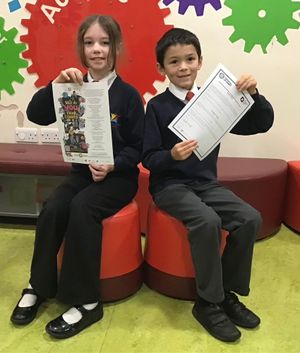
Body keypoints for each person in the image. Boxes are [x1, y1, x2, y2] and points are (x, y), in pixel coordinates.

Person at [10, 14, 144, 339]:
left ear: (115, 47)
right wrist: (56, 84)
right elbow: (38, 115)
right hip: (82, 173)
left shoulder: (128, 96)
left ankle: (86, 301)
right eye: (89, 42)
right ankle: (39, 284)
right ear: (81, 48)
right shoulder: (70, 86)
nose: (96, 49)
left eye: (104, 42)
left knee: (83, 208)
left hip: (118, 178)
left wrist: (113, 164)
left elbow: (139, 147)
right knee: (54, 206)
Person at [142, 28, 274, 343]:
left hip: (205, 184)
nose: (183, 67)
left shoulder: (215, 99)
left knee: (250, 218)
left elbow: (261, 123)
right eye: (174, 62)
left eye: (189, 59)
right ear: (162, 69)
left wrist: (254, 95)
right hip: (169, 187)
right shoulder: (157, 108)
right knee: (207, 220)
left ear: (200, 61)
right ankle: (208, 302)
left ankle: (227, 293)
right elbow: (148, 158)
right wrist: (171, 155)